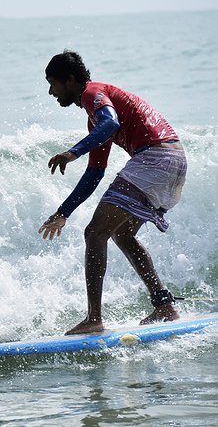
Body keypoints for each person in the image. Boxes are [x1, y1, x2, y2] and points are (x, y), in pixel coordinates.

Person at [38, 50, 187, 335]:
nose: (50, 91)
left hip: (154, 158)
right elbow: (95, 173)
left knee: (95, 233)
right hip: (174, 159)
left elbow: (112, 123)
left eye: (52, 83)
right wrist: (63, 213)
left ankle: (94, 318)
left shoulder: (92, 93)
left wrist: (72, 152)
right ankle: (164, 305)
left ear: (70, 80)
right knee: (121, 233)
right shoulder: (95, 120)